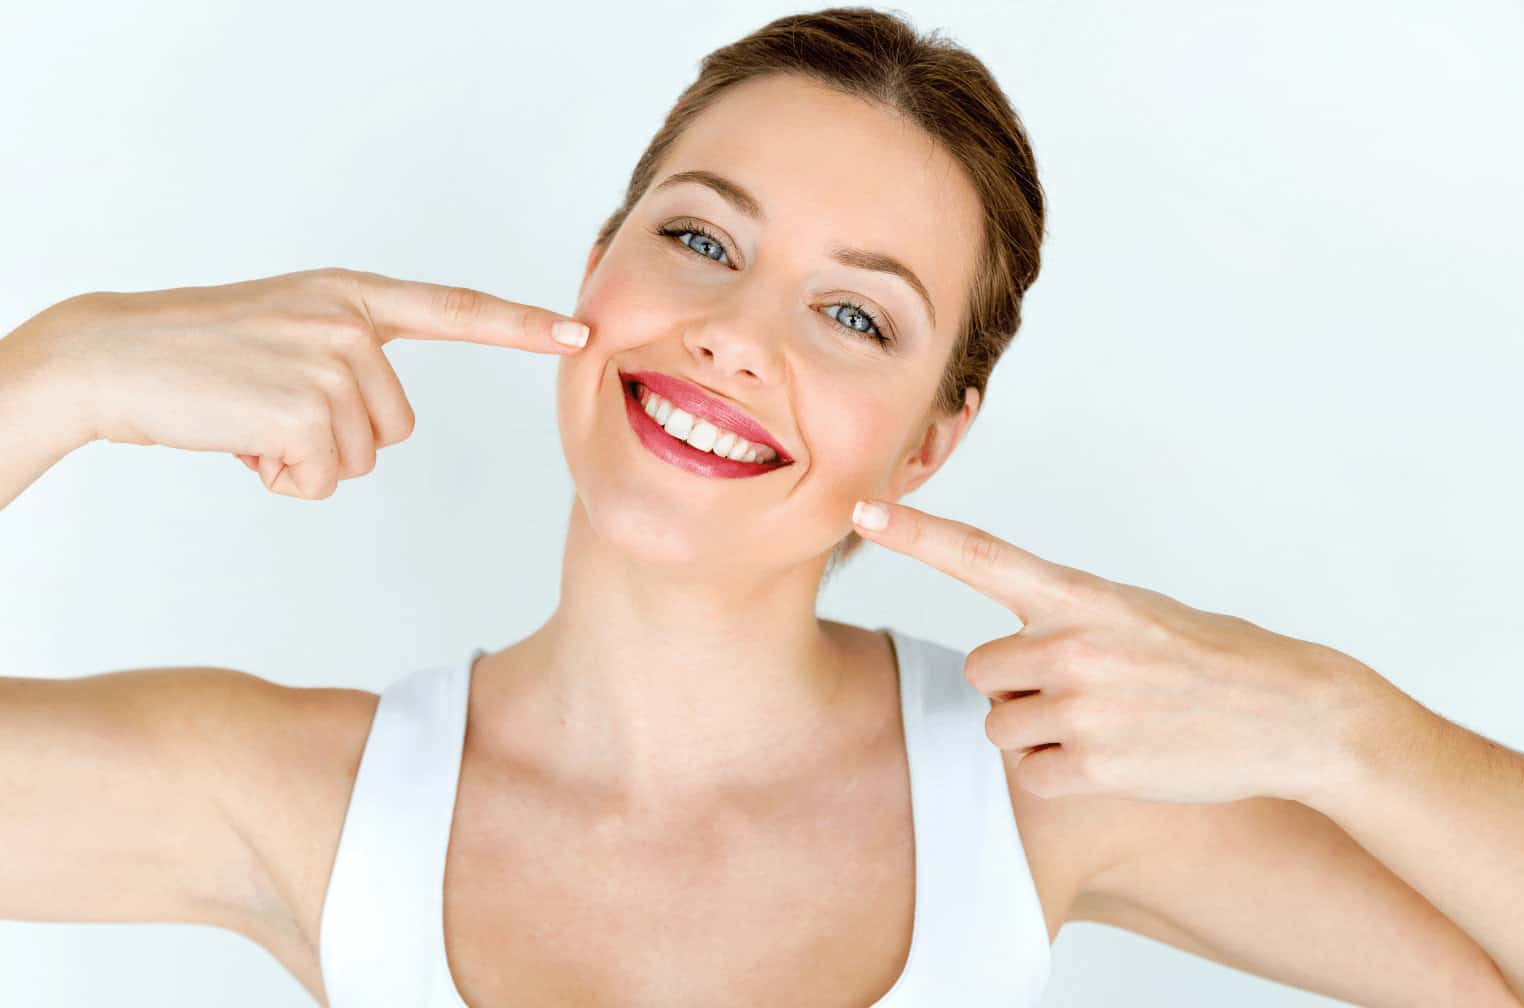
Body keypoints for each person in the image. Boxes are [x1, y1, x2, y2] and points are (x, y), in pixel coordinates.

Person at [6, 8, 1523, 1008]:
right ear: (596, 270)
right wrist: (56, 372)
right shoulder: (313, 800)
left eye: (856, 316)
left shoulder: (1037, 787)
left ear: (930, 442)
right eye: (699, 240)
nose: (734, 334)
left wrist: (1346, 727)